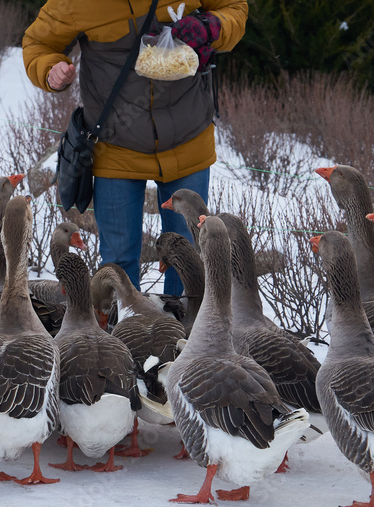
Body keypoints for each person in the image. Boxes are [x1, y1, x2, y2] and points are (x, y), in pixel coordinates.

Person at [23, 0, 249, 295]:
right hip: (115, 148)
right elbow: (38, 43)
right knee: (118, 263)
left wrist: (211, 27)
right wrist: (49, 69)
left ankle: (185, 323)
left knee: (188, 257)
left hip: (188, 137)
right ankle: (125, 324)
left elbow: (234, 7)